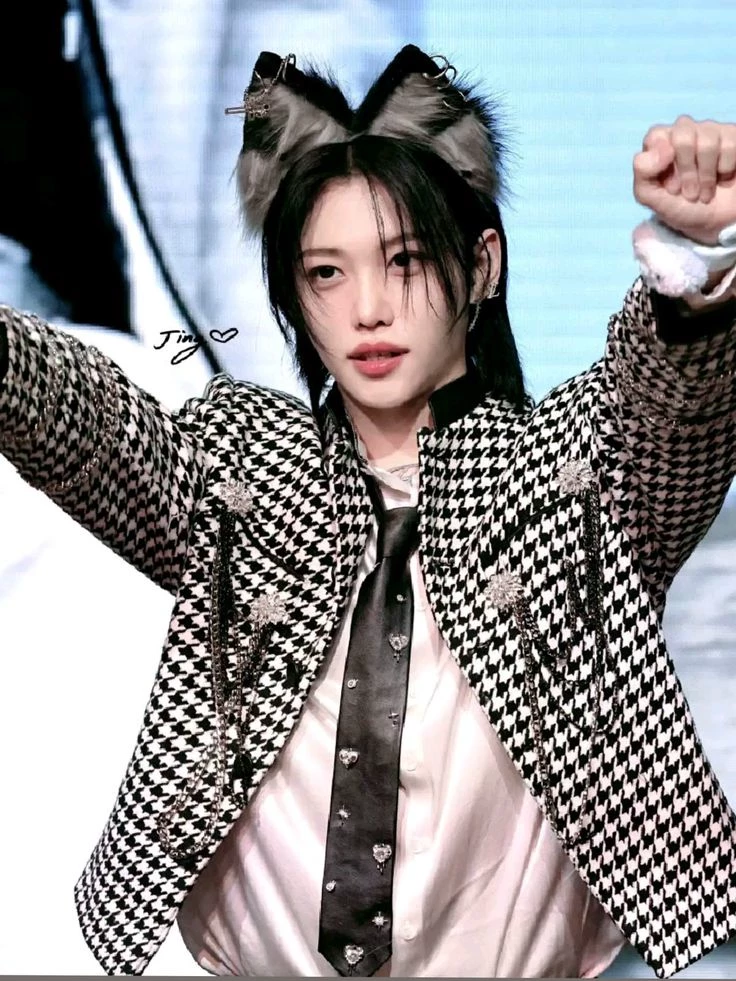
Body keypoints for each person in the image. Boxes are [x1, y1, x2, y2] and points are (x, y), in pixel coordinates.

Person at [2, 43, 736, 979]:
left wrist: (698, 259)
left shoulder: (571, 474)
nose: (370, 309)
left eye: (405, 260)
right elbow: (93, 424)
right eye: (326, 273)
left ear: (482, 265)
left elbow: (672, 406)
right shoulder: (245, 474)